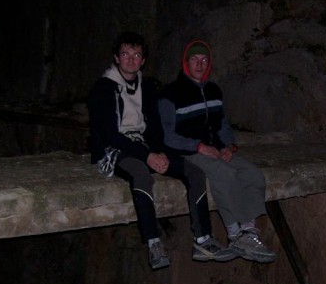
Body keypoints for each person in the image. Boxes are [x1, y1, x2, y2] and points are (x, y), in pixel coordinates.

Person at [87, 32, 236, 270]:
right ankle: (153, 241)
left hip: (145, 146)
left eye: (137, 55)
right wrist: (147, 156)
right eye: (125, 54)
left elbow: (155, 127)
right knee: (140, 173)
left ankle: (203, 239)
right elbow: (110, 135)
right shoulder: (103, 89)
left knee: (194, 172)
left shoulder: (146, 87)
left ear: (143, 60)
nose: (131, 60)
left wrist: (159, 152)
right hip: (115, 149)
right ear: (116, 58)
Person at [158, 39, 276, 263]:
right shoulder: (170, 94)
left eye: (204, 60)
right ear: (185, 62)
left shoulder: (213, 90)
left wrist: (229, 147)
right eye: (195, 59)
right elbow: (166, 136)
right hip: (188, 152)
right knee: (225, 174)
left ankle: (248, 232)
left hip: (216, 149)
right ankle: (235, 233)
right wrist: (199, 146)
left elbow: (223, 125)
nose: (200, 64)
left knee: (253, 175)